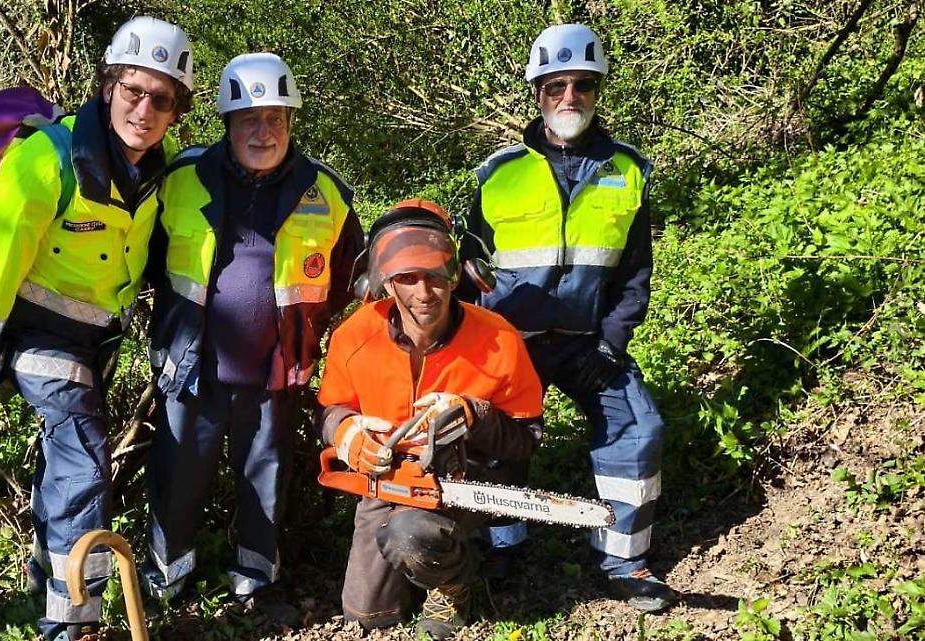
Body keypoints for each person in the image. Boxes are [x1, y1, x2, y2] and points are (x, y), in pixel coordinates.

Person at [0, 16, 194, 641]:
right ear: (109, 86)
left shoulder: (159, 171)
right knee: (85, 462)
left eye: (161, 98)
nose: (144, 108)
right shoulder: (51, 156)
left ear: (175, 111)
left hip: (96, 341)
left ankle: (44, 574)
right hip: (36, 334)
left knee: (66, 459)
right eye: (133, 91)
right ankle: (70, 623)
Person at [142, 52, 364, 618]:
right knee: (178, 477)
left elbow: (351, 276)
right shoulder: (181, 177)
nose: (263, 132)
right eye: (249, 119)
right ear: (226, 123)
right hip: (191, 366)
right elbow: (137, 257)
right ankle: (169, 576)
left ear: (291, 121)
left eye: (276, 119)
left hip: (275, 370)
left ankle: (255, 579)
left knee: (265, 478)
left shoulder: (327, 190)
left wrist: (307, 334)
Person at [461, 23, 674, 612]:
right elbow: (469, 269)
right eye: (555, 86)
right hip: (512, 343)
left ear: (598, 90)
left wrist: (612, 342)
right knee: (485, 430)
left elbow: (634, 274)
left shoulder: (629, 170)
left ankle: (625, 560)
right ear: (537, 93)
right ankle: (504, 540)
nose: (568, 97)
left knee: (640, 429)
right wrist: (478, 344)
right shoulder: (496, 173)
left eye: (581, 85)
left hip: (589, 343)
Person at [316, 200, 544, 640]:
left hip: (466, 480)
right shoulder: (355, 336)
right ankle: (429, 551)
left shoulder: (497, 338)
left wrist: (474, 416)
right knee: (368, 613)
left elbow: (527, 437)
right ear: (381, 283)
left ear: (458, 274)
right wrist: (346, 434)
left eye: (435, 276)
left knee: (410, 534)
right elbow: (329, 409)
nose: (423, 293)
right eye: (406, 278)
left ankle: (455, 583)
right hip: (391, 476)